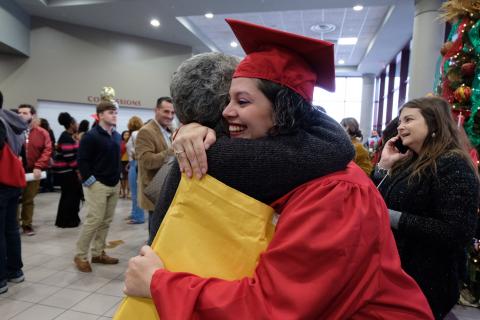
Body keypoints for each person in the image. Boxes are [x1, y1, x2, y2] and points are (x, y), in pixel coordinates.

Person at [124, 19, 433, 319]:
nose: (228, 111)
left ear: (283, 110)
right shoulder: (290, 171)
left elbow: (274, 309)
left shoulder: (337, 194)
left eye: (242, 101)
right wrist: (191, 131)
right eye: (227, 101)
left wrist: (159, 284)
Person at [372, 96, 479, 319]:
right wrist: (383, 165)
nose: (400, 126)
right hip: (398, 271)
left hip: (428, 278)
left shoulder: (453, 163)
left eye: (409, 120)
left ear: (434, 123)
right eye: (400, 121)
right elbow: (375, 199)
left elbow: (457, 232)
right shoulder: (410, 160)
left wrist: (392, 217)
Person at [74, 100, 121, 272]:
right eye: (110, 112)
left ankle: (98, 252)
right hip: (97, 185)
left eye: (115, 112)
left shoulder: (116, 135)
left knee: (106, 221)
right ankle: (80, 255)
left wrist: (118, 177)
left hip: (114, 183)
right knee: (94, 220)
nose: (114, 115)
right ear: (100, 115)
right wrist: (91, 181)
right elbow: (82, 161)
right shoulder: (91, 136)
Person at [0, 91, 28, 294]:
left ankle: (1, 278)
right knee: (10, 228)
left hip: (1, 184)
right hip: (11, 182)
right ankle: (15, 271)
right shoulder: (12, 121)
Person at [135, 97, 174, 230]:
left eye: (172, 113)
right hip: (155, 190)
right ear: (156, 110)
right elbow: (147, 161)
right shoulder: (146, 131)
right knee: (155, 231)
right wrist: (173, 151)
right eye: (166, 111)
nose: (170, 116)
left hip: (167, 187)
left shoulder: (170, 130)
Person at [17, 104, 52, 236]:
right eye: (19, 113)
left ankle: (26, 224)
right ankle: (13, 225)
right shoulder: (13, 130)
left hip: (33, 171)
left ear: (33, 115)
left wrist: (39, 165)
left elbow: (47, 150)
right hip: (16, 171)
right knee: (14, 199)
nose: (21, 115)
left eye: (25, 113)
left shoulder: (42, 133)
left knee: (28, 199)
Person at [52, 112, 82, 228]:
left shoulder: (69, 137)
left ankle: (68, 219)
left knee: (70, 196)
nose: (77, 124)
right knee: (70, 196)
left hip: (68, 171)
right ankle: (67, 221)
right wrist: (78, 171)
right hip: (67, 172)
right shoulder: (65, 137)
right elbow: (69, 157)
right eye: (76, 123)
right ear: (71, 124)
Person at [125, 116, 145, 224]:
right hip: (133, 163)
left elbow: (139, 149)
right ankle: (134, 213)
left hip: (136, 163)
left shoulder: (134, 134)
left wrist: (134, 156)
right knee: (134, 191)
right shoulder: (137, 133)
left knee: (135, 192)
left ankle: (138, 216)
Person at [39, 118, 56, 192]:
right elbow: (53, 141)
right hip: (51, 152)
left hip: (46, 152)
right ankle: (50, 186)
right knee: (50, 171)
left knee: (46, 170)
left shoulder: (42, 132)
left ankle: (45, 187)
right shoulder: (50, 131)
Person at [119, 130, 130, 199]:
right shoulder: (121, 143)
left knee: (128, 178)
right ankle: (123, 192)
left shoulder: (131, 142)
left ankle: (128, 193)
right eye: (125, 134)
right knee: (122, 178)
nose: (126, 136)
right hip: (121, 161)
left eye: (127, 134)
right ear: (122, 136)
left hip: (129, 161)